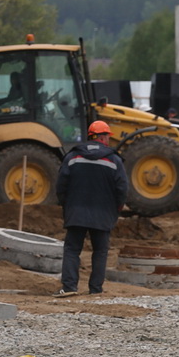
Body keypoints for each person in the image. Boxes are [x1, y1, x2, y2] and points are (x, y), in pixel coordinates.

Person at [55, 120, 128, 297]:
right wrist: (116, 210)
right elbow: (122, 188)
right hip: (103, 214)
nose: (108, 140)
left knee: (72, 249)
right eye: (107, 136)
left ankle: (70, 287)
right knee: (100, 251)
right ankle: (95, 290)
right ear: (102, 137)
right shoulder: (114, 160)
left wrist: (66, 206)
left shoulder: (73, 157)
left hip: (76, 212)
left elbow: (61, 185)